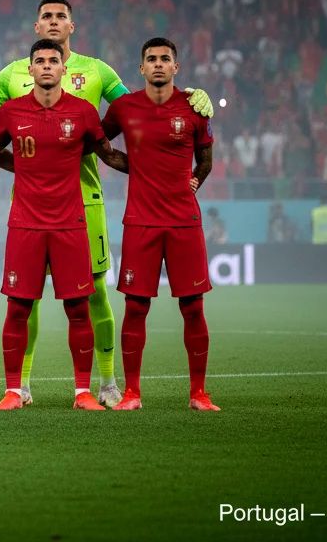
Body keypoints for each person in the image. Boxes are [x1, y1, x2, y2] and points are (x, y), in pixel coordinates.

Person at [0, 0, 214, 407]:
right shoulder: (12, 74)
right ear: (35, 29)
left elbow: (139, 107)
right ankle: (22, 387)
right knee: (23, 300)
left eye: (60, 16)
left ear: (72, 26)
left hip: (86, 201)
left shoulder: (98, 70)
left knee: (95, 294)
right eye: (45, 16)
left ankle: (106, 384)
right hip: (30, 202)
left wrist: (191, 97)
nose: (53, 21)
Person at [0, 38, 128, 410]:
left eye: (54, 60)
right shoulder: (11, 112)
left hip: (71, 224)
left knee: (78, 308)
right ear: (31, 69)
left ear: (64, 69)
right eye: (40, 61)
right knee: (18, 308)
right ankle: (13, 392)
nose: (48, 66)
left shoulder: (85, 113)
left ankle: (83, 393)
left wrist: (158, 171)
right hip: (25, 224)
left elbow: (110, 156)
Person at [99, 37, 220, 411]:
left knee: (193, 308)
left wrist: (195, 180)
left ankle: (199, 394)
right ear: (141, 68)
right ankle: (132, 394)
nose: (157, 64)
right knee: (136, 307)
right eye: (150, 59)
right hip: (141, 222)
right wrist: (136, 168)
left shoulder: (195, 108)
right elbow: (100, 145)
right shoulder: (123, 107)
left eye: (164, 59)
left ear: (175, 67)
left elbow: (206, 160)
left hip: (184, 222)